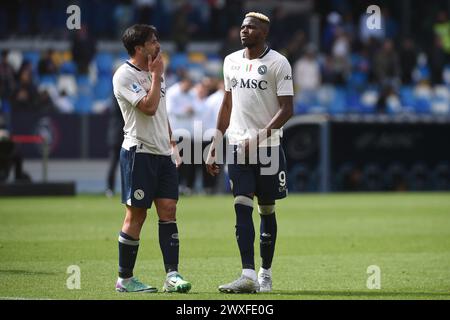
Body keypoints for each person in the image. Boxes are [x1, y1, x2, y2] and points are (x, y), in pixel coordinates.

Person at [206, 12, 294, 293]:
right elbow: (227, 104)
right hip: (237, 146)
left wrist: (258, 138)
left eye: (252, 27)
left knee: (266, 208)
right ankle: (247, 275)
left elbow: (287, 109)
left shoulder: (278, 63)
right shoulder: (230, 61)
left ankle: (265, 273)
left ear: (264, 33)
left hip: (267, 148)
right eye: (243, 26)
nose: (244, 30)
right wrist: (215, 143)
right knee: (241, 206)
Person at [112, 24, 191, 293]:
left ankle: (172, 276)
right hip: (139, 152)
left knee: (169, 210)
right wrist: (156, 76)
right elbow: (148, 107)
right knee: (137, 215)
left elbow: (162, 113)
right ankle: (125, 279)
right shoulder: (124, 75)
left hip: (162, 153)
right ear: (139, 48)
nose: (158, 45)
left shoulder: (156, 71)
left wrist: (172, 144)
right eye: (153, 41)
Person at [105, 96, 125, 198]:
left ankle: (126, 189)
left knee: (128, 165)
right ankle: (110, 188)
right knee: (113, 164)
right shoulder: (116, 96)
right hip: (117, 136)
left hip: (123, 135)